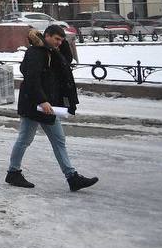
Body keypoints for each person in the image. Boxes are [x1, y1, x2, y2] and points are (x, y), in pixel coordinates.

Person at [6, 24, 98, 192]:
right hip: (36, 104)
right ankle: (14, 172)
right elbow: (32, 78)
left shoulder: (50, 52)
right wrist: (42, 100)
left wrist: (62, 44)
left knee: (51, 140)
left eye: (61, 40)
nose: (58, 43)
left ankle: (70, 177)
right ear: (46, 35)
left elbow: (65, 62)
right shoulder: (35, 52)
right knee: (30, 139)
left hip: (45, 105)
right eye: (56, 39)